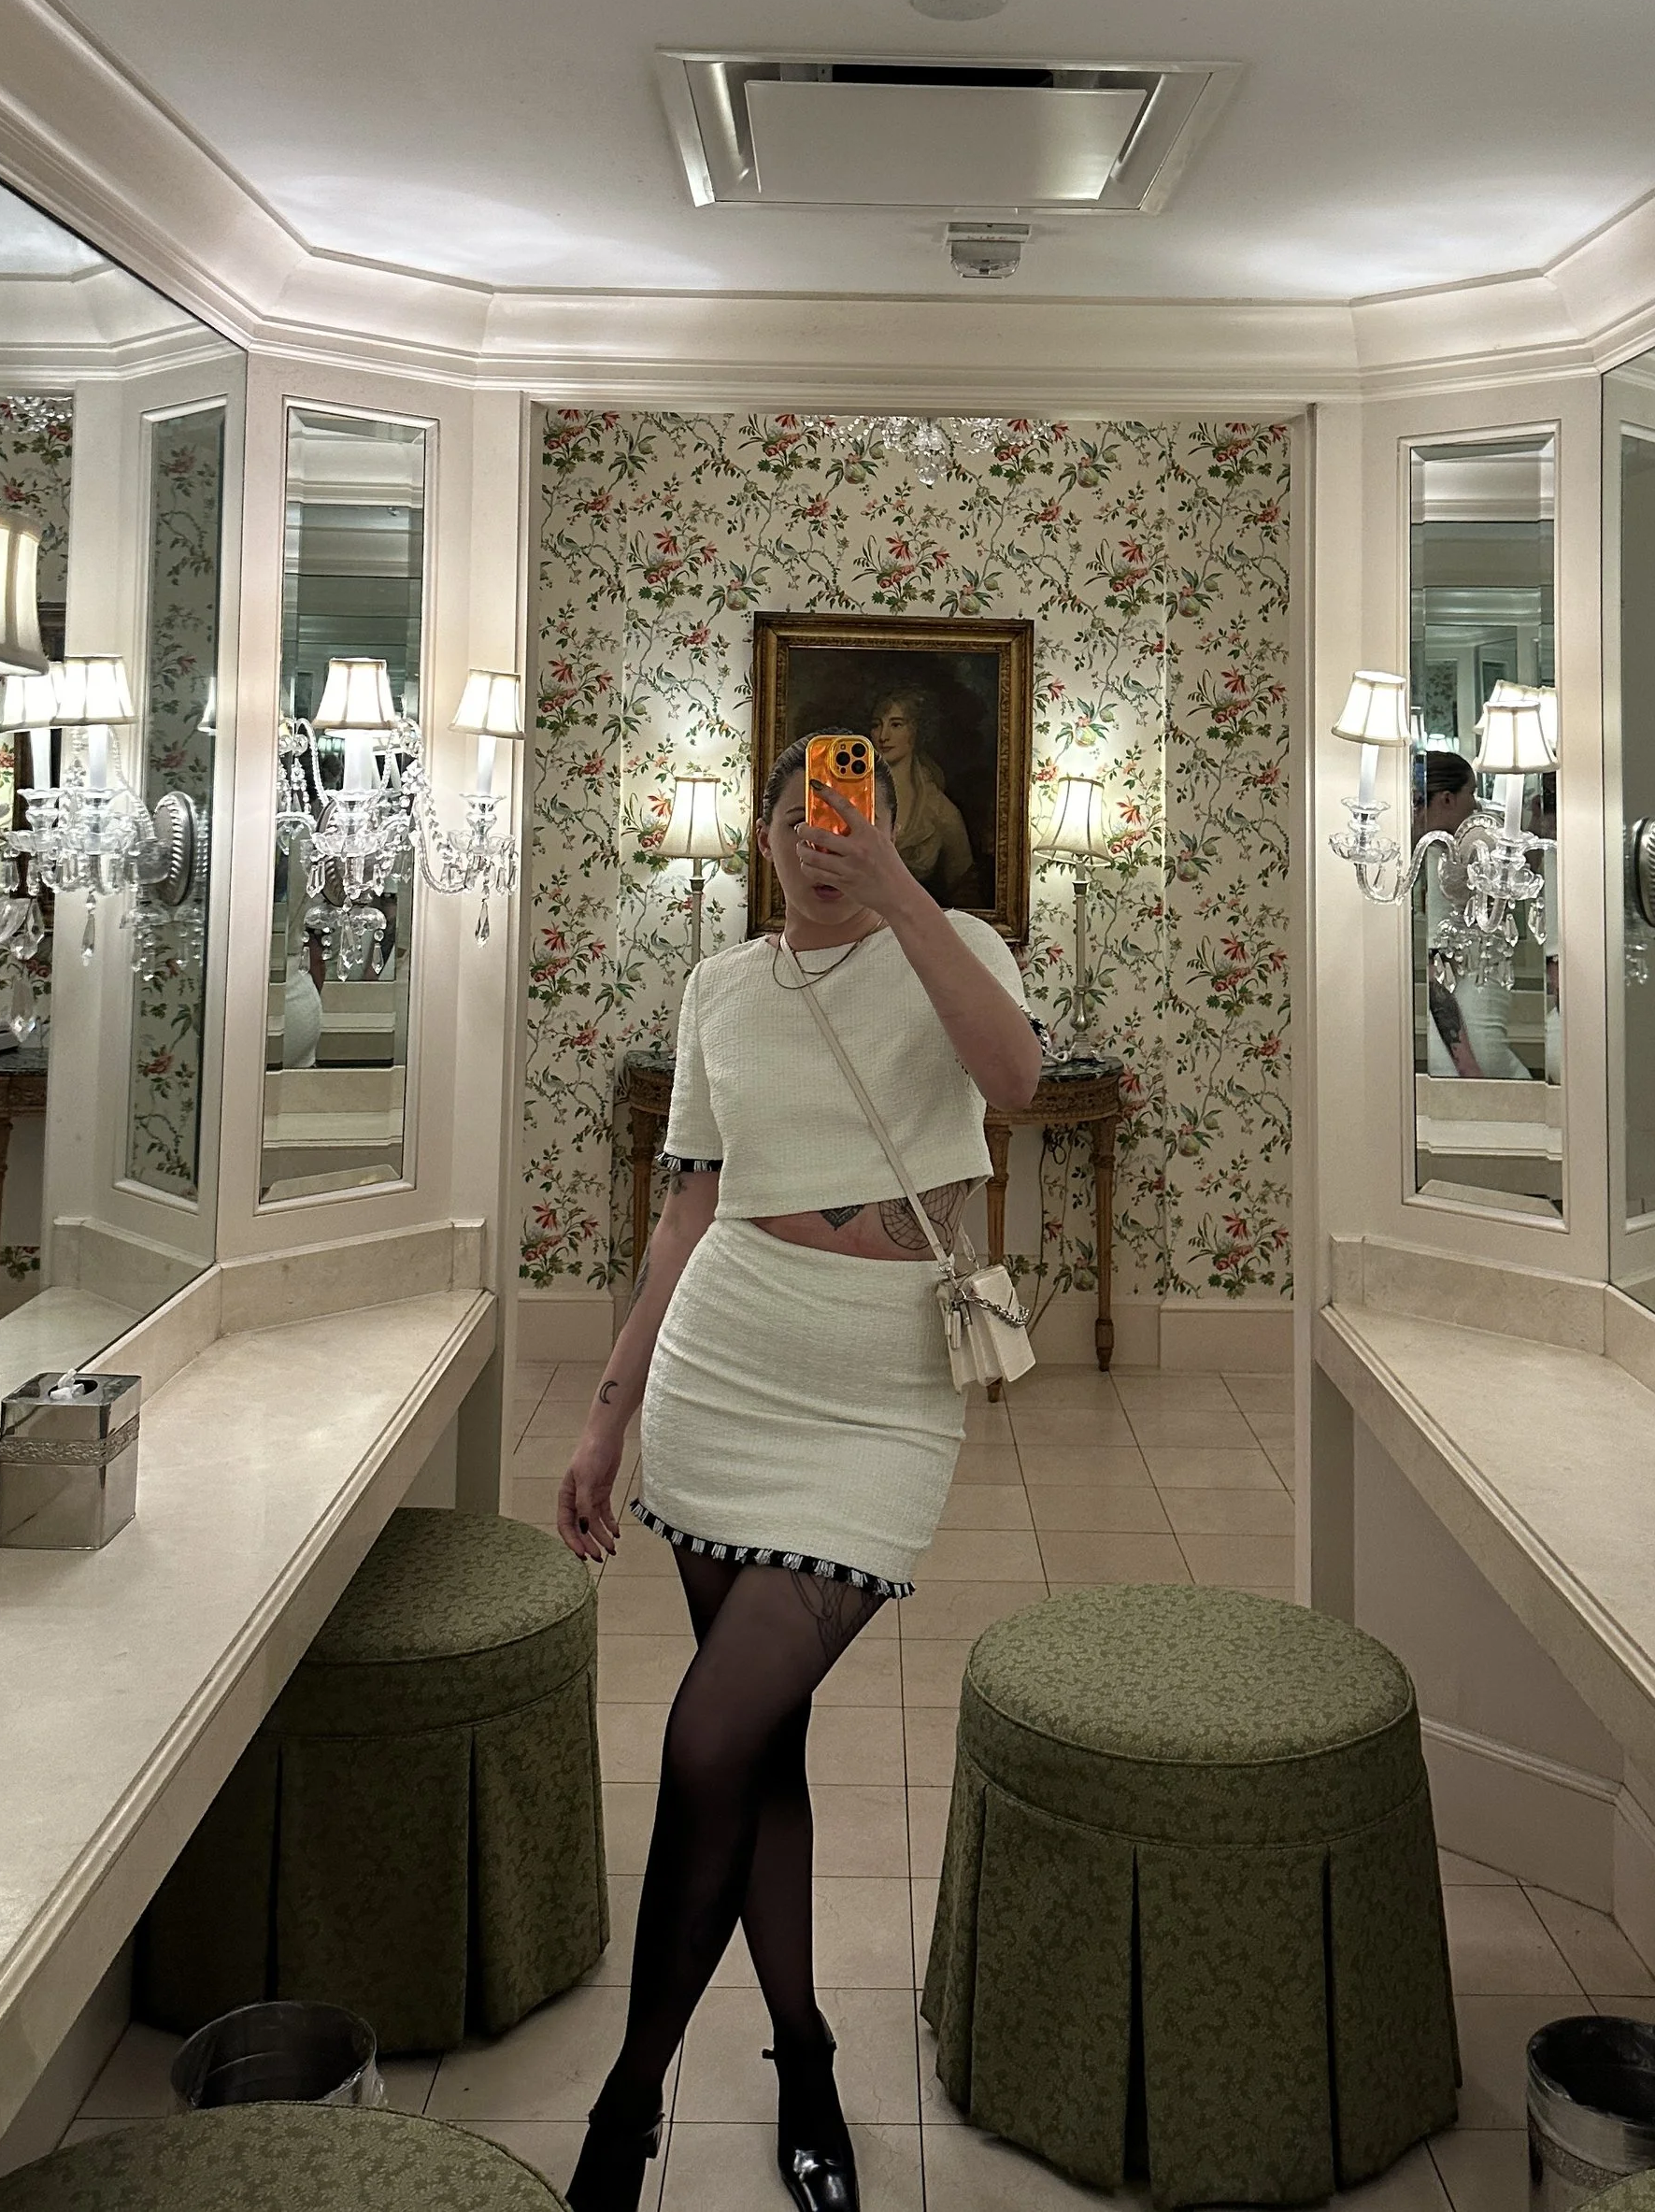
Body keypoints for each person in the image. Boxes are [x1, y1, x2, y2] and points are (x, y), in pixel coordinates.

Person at [555, 736, 1040, 2212]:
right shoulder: (718, 989)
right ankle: (807, 2056)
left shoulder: (955, 944)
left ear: (892, 831)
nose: (826, 836)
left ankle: (627, 2103)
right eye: (804, 815)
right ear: (762, 835)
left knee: (711, 1739)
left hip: (881, 1393)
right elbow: (685, 1212)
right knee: (757, 1745)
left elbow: (1015, 1081)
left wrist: (898, 894)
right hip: (726, 1366)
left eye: (857, 816)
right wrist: (607, 1415)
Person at [1410, 750, 1531, 1082]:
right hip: (1472, 1034)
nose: (1476, 804)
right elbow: (1437, 977)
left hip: (1469, 1028)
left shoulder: (1448, 856)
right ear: (1448, 799)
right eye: (1472, 792)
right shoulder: (1443, 863)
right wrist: (1468, 1067)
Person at [867, 685, 977, 905]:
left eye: (896, 725)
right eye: (876, 725)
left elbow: (965, 891)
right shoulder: (850, 797)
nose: (883, 736)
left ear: (916, 731)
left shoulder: (941, 812)